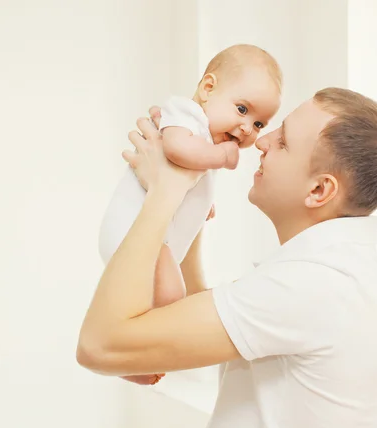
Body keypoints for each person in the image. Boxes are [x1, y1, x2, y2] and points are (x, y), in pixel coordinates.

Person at [77, 87, 377, 428]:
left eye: (283, 142)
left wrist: (165, 192)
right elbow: (195, 313)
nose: (263, 141)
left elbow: (99, 346)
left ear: (319, 190)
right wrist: (190, 201)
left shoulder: (312, 285)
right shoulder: (335, 274)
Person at [97, 44, 281, 385]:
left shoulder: (203, 137)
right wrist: (222, 156)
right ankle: (128, 360)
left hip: (155, 235)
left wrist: (200, 204)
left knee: (163, 299)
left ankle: (134, 358)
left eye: (258, 123)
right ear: (208, 88)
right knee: (170, 296)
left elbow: (184, 178)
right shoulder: (185, 114)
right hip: (131, 229)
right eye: (241, 109)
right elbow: (177, 150)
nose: (247, 129)